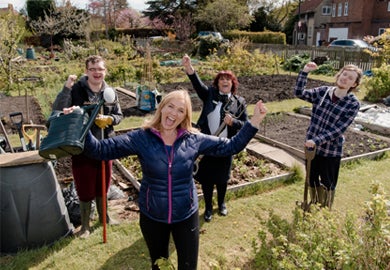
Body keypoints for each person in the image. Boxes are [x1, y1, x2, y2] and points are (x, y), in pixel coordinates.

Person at [81, 89, 267, 270]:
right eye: (170, 106)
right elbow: (99, 150)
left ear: (185, 116)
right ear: (161, 107)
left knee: (188, 266)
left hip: (186, 214)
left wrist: (255, 121)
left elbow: (231, 146)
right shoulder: (141, 138)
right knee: (159, 265)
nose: (173, 114)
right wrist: (81, 123)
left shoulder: (193, 139)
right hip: (153, 215)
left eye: (181, 110)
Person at [52, 55, 123, 238]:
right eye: (93, 69)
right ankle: (85, 226)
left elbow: (119, 115)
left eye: (100, 69)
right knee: (84, 186)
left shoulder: (110, 92)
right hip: (82, 145)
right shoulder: (76, 90)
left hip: (105, 144)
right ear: (87, 71)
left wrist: (110, 119)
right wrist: (67, 87)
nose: (97, 73)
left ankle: (104, 218)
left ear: (105, 71)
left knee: (103, 184)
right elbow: (59, 108)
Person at [181, 54, 248, 222]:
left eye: (228, 80)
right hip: (206, 144)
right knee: (207, 178)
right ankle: (209, 208)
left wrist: (233, 122)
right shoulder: (209, 94)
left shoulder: (239, 102)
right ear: (217, 83)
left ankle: (222, 204)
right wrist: (190, 69)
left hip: (226, 145)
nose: (225, 82)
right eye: (221, 80)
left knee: (223, 177)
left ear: (232, 84)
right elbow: (198, 85)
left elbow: (245, 124)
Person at [295, 61, 362, 209]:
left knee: (328, 183)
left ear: (354, 84)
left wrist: (316, 140)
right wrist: (305, 72)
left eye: (350, 78)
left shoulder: (352, 103)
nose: (345, 78)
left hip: (331, 151)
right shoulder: (323, 92)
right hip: (312, 149)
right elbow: (299, 92)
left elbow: (339, 129)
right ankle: (313, 205)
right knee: (311, 179)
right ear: (339, 75)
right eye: (344, 74)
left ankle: (325, 211)